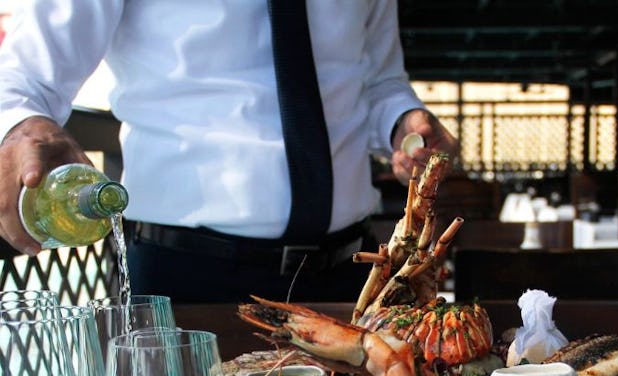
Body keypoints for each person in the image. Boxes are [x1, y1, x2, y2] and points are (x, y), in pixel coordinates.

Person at [0, 0, 458, 303]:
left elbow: (379, 82)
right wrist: (23, 128)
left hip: (349, 275)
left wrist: (403, 120)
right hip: (187, 278)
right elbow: (24, 77)